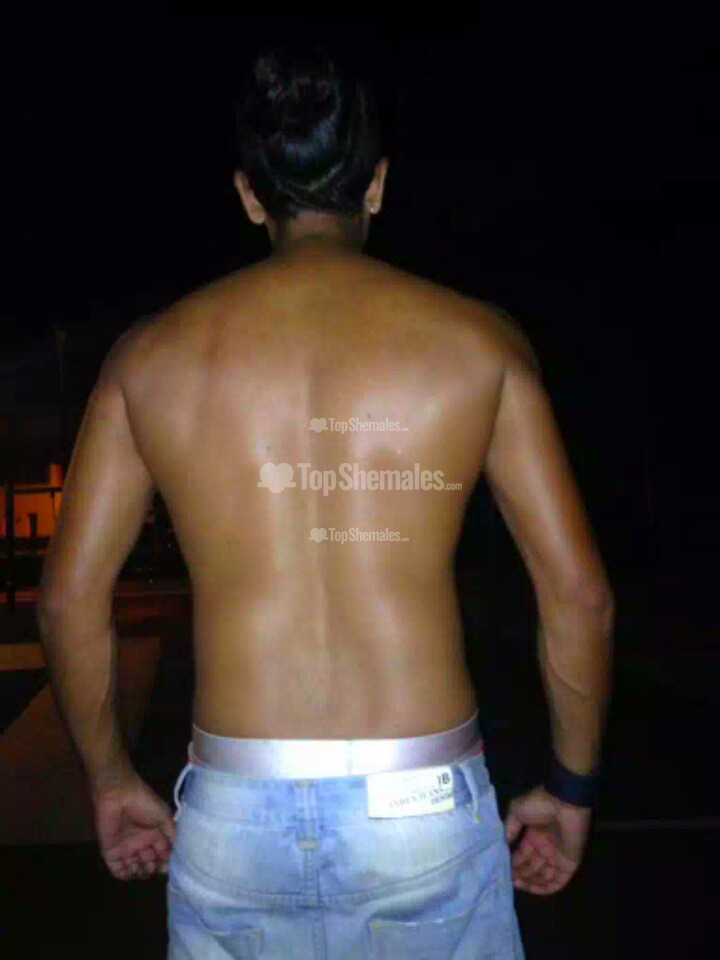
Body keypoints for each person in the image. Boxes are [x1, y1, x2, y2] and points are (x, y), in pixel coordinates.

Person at [37, 41, 614, 959]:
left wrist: (109, 780)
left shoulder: (149, 358)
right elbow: (578, 596)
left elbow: (69, 600)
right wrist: (571, 789)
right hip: (421, 806)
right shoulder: (478, 344)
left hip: (235, 814)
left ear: (249, 195)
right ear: (376, 185)